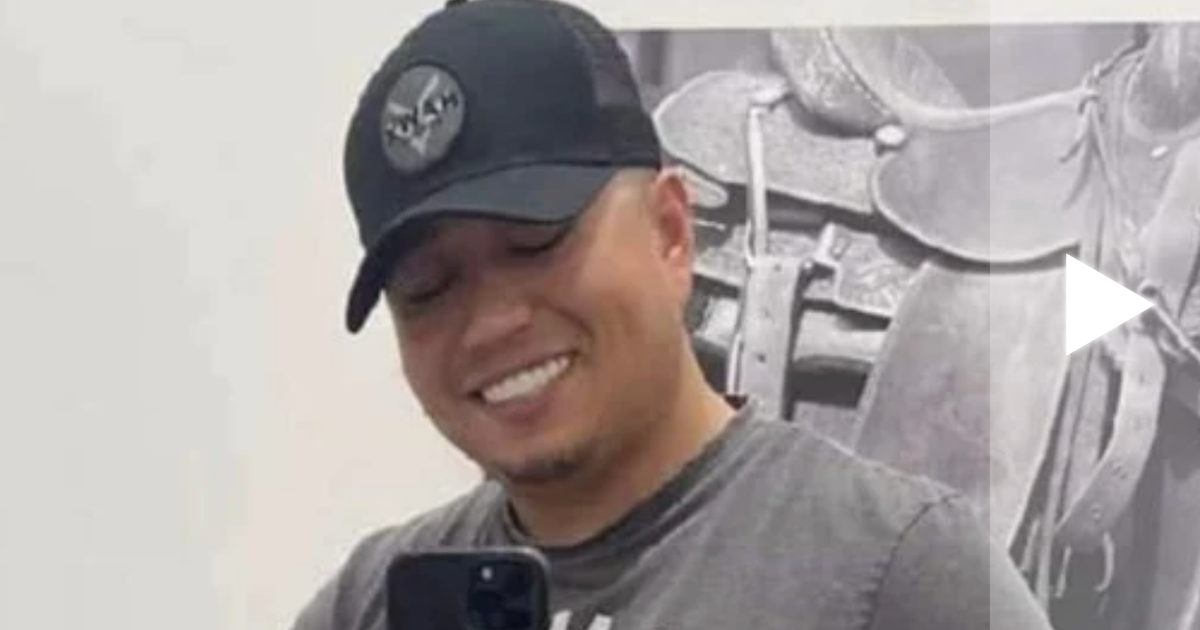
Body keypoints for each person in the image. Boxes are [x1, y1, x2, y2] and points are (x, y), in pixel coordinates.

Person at [292, 0, 1055, 628]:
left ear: (670, 233)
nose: (491, 322)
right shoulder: (366, 604)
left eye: (535, 242)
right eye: (426, 287)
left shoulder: (903, 572)